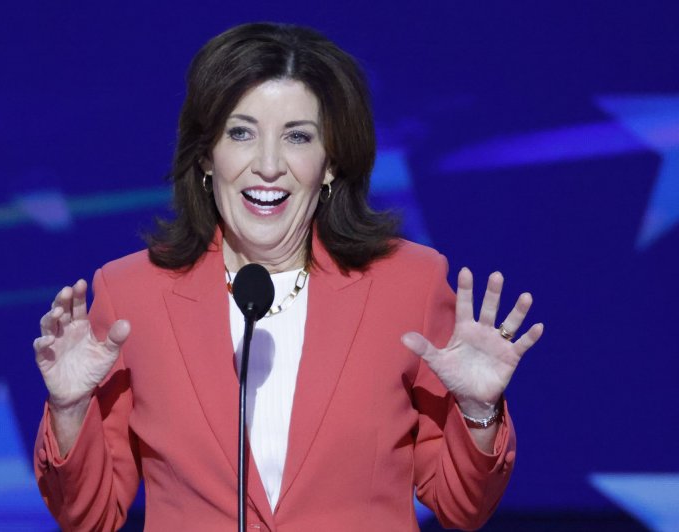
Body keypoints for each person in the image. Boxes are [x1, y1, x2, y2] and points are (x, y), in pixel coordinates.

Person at [33, 22, 543, 531]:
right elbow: (90, 518)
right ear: (207, 156)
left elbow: (463, 507)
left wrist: (479, 411)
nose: (269, 165)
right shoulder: (132, 295)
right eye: (241, 133)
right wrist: (70, 410)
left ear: (330, 163)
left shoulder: (408, 283)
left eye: (297, 136)